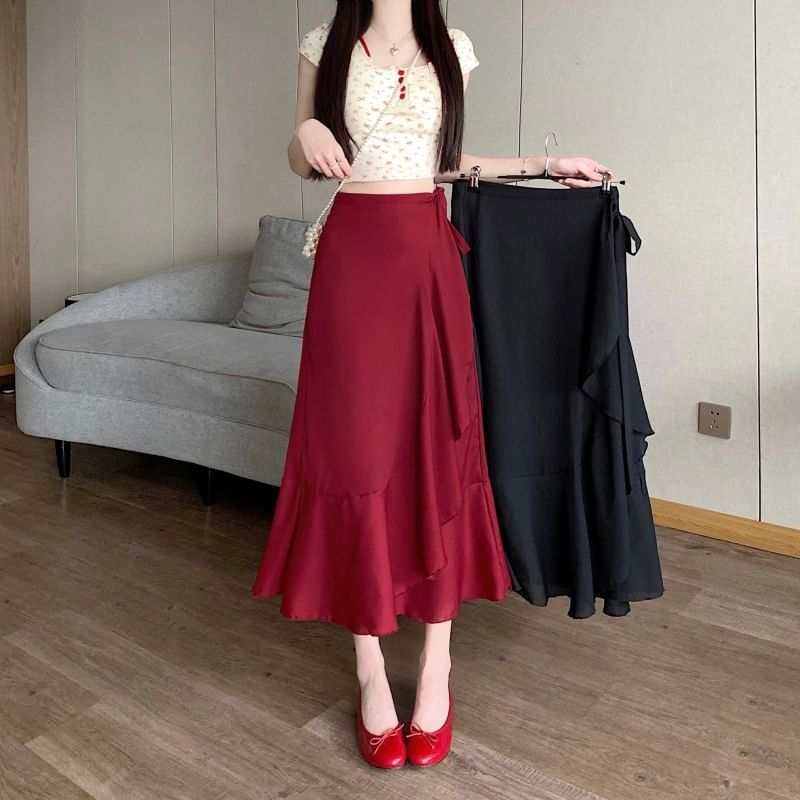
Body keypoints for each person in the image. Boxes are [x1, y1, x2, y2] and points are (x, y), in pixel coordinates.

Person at [251, 0, 617, 769]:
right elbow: (301, 156)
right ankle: (369, 669)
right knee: (353, 459)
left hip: (427, 259)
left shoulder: (453, 47)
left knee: (435, 450)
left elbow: (440, 160)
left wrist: (545, 165)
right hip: (353, 263)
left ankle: (437, 665)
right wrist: (304, 133)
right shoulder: (324, 43)